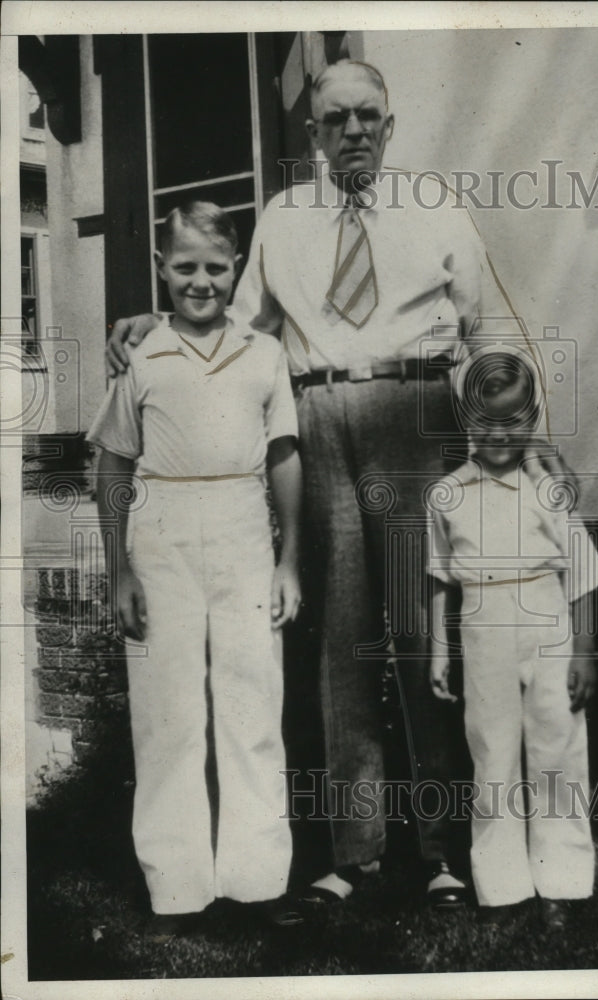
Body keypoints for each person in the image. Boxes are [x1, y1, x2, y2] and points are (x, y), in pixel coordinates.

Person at [105, 60, 569, 909]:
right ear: (313, 134)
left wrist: (526, 434)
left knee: (424, 633)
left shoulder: (435, 207)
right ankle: (352, 854)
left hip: (415, 413)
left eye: (367, 117)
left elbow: (488, 324)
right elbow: (235, 325)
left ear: (388, 127)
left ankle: (444, 854)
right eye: (334, 120)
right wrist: (153, 319)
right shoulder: (285, 218)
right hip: (318, 418)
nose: (351, 132)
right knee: (338, 641)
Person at [89, 201, 303, 936]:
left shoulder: (263, 353)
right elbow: (113, 465)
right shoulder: (138, 355)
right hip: (161, 533)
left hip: (244, 528)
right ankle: (175, 888)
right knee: (168, 712)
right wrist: (119, 571)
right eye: (184, 268)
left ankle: (256, 882)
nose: (201, 282)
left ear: (236, 268)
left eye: (215, 267)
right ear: (160, 270)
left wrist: (288, 560)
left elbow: (282, 457)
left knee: (250, 704)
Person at [428, 349, 598, 927]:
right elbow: (440, 582)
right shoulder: (446, 494)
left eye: (511, 420)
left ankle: (562, 880)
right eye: (484, 421)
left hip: (547, 621)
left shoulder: (549, 490)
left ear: (531, 420)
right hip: (483, 625)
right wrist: (438, 650)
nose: (498, 433)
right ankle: (502, 885)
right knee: (493, 753)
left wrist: (585, 651)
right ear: (466, 421)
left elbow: (582, 575)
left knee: (556, 748)